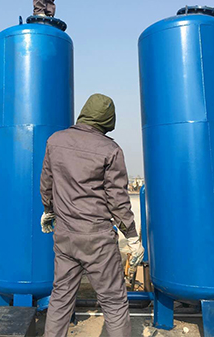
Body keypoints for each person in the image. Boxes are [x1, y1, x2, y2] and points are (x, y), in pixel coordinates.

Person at [40, 93, 144, 337]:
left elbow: (46, 183)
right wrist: (132, 236)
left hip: (65, 235)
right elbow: (117, 200)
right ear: (108, 120)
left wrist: (48, 210)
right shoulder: (110, 149)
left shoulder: (55, 141)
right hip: (97, 238)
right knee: (114, 301)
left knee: (61, 298)